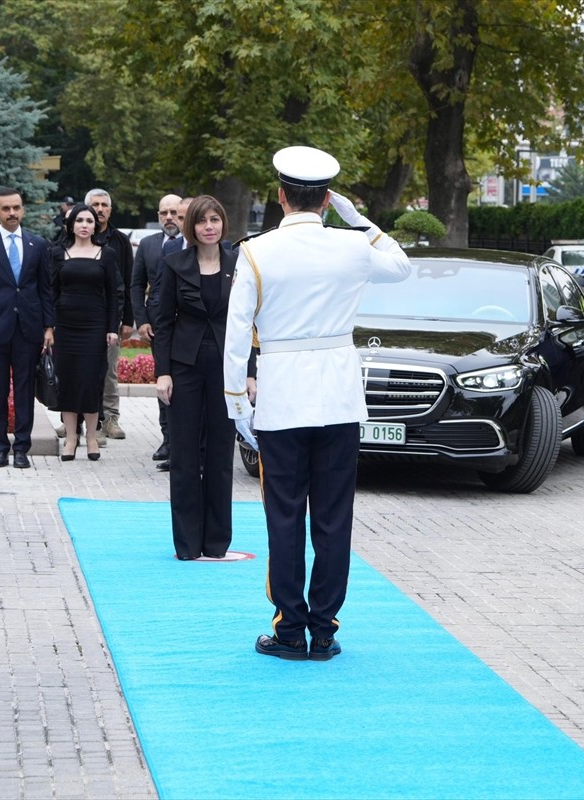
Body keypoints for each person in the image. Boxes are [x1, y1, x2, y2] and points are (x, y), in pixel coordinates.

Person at [222, 146, 410, 661]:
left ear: (281, 196)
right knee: (333, 517)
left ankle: (289, 629)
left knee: (284, 517)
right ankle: (324, 628)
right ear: (327, 199)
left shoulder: (257, 252)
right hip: (339, 398)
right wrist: (361, 221)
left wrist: (237, 401)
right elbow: (401, 266)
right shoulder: (351, 247)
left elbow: (237, 335)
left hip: (283, 397)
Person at [153, 196, 253, 561]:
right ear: (190, 227)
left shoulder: (240, 263)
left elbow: (249, 321)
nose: (209, 226)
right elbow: (163, 321)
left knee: (219, 453)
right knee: (183, 454)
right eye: (201, 221)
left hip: (227, 369)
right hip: (184, 369)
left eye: (215, 219)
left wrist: (250, 372)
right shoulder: (174, 263)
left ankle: (215, 542)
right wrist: (163, 372)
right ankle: (187, 543)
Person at [0, 188, 55, 469]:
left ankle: (22, 448)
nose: (12, 213)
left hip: (28, 330)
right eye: (6, 208)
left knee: (25, 391)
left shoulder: (37, 244)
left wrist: (49, 326)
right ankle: (0, 448)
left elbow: (45, 289)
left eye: (16, 207)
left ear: (23, 210)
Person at [50, 203, 121, 462]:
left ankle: (92, 437)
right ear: (71, 225)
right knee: (67, 382)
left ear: (95, 225)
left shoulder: (107, 253)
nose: (84, 225)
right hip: (65, 327)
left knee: (91, 381)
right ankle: (71, 438)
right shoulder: (58, 253)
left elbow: (113, 294)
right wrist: (49, 327)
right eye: (79, 220)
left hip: (95, 326)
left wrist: (112, 328)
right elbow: (51, 291)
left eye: (89, 221)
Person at [132, 193, 183, 465]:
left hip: (187, 325)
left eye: (174, 212)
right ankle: (167, 440)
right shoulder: (148, 245)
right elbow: (137, 285)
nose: (169, 218)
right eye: (164, 213)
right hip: (157, 326)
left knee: (184, 382)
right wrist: (142, 320)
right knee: (163, 380)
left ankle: (185, 442)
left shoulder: (192, 244)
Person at [85, 188, 134, 441]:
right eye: (95, 204)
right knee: (81, 369)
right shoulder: (74, 237)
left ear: (110, 210)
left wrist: (128, 320)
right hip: (81, 317)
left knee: (109, 370)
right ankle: (79, 418)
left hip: (111, 318)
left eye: (104, 205)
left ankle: (110, 418)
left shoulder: (120, 241)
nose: (100, 209)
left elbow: (129, 281)